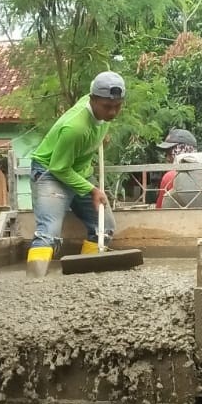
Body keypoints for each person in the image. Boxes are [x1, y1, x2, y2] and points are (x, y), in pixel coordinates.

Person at [25, 72, 125, 276]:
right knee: (49, 234)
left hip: (78, 172)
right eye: (107, 107)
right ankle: (32, 283)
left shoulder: (102, 113)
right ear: (92, 99)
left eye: (117, 106)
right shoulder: (75, 128)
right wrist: (91, 189)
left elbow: (96, 126)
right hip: (50, 172)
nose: (113, 112)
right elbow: (59, 168)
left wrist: (98, 138)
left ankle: (84, 276)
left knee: (104, 228)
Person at [155, 128, 202, 209]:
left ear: (180, 150)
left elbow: (160, 210)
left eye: (169, 153)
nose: (167, 158)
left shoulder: (170, 177)